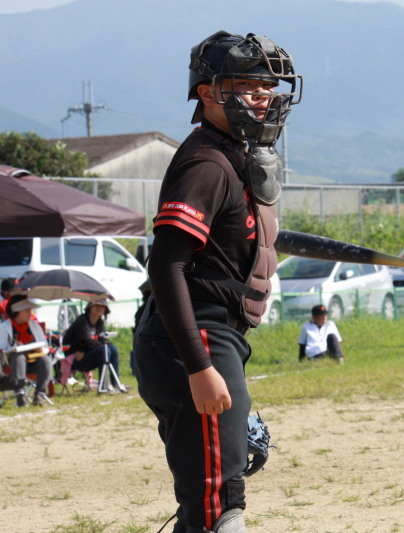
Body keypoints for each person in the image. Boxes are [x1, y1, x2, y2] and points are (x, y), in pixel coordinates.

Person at [132, 30, 301, 533]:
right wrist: (200, 365)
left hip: (216, 335)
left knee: (217, 496)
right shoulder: (205, 162)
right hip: (196, 335)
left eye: (269, 85)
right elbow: (167, 267)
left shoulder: (233, 152)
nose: (263, 95)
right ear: (208, 92)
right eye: (248, 84)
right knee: (217, 505)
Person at [61, 299, 126, 393]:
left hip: (87, 353)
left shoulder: (100, 322)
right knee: (104, 349)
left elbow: (102, 339)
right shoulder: (82, 320)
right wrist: (84, 347)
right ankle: (103, 386)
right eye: (96, 305)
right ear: (89, 308)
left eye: (102, 306)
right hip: (76, 358)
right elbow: (86, 340)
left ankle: (115, 383)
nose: (99, 308)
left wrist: (105, 343)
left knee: (113, 349)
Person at [0, 295, 53, 407]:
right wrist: (14, 347)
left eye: (30, 309)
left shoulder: (34, 325)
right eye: (26, 310)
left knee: (45, 359)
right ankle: (20, 395)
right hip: (12, 365)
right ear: (16, 311)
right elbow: (2, 351)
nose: (30, 313)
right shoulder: (5, 327)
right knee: (18, 356)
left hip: (33, 362)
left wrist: (39, 348)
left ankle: (39, 395)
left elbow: (45, 346)